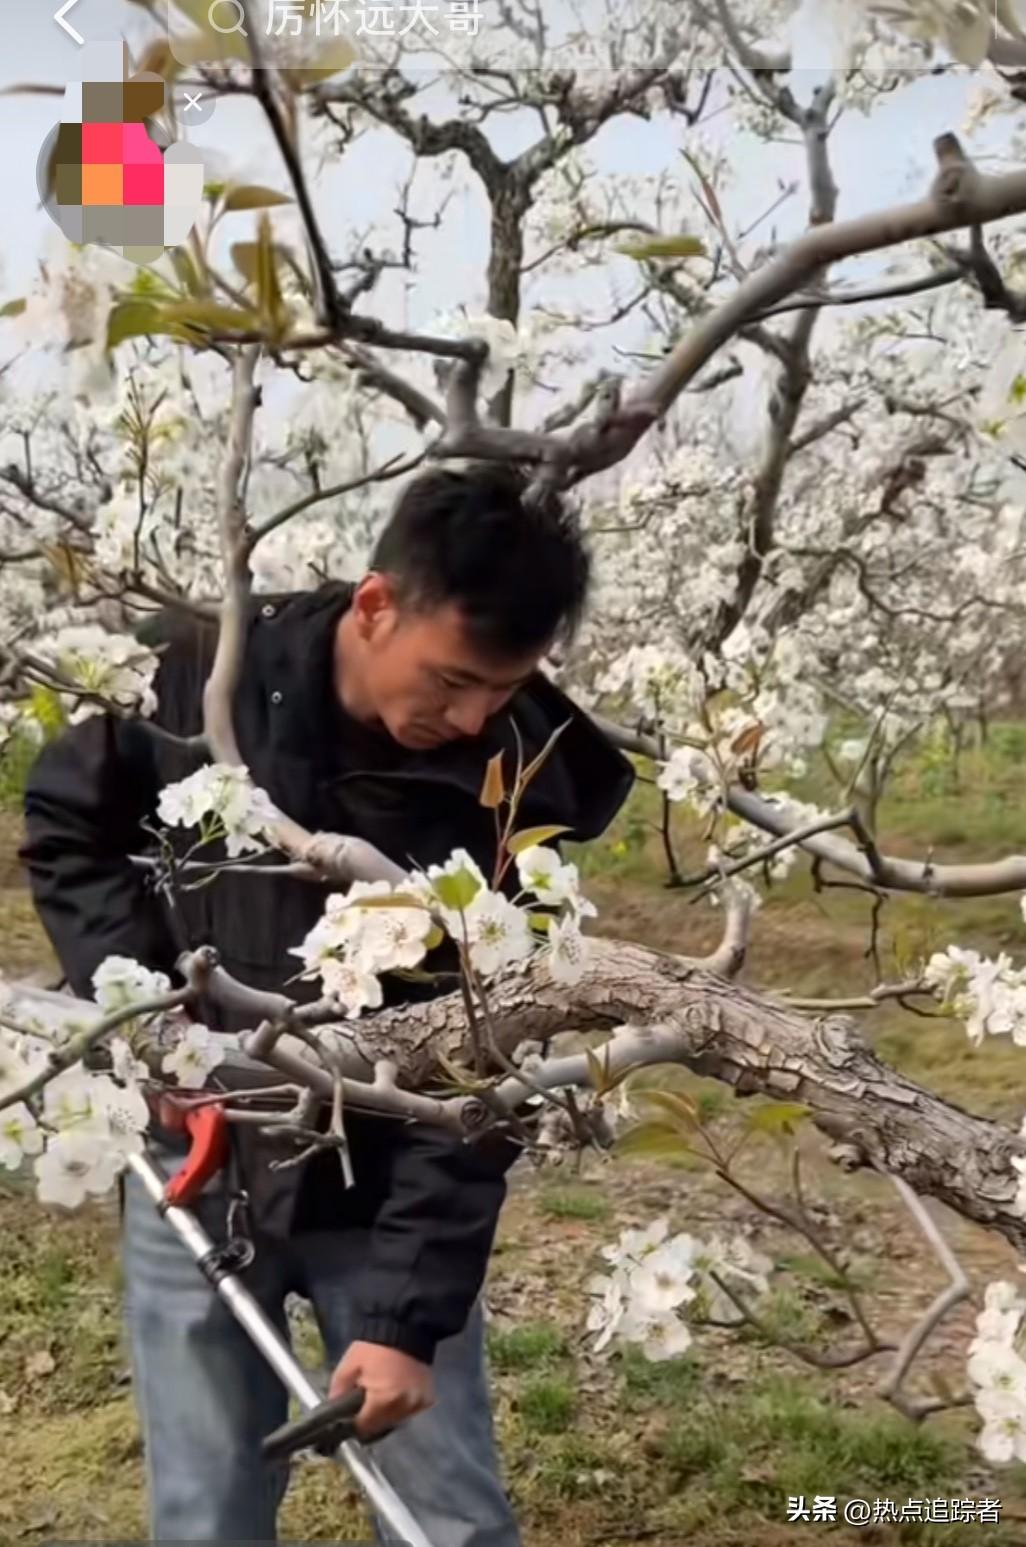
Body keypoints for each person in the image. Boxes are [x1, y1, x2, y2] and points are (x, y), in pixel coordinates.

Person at [20, 462, 635, 1545]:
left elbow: (484, 1065)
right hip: (196, 1165)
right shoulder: (190, 675)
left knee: (447, 1518)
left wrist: (404, 1320)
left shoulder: (516, 788)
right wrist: (155, 1014)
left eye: (502, 688)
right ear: (374, 603)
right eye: (451, 681)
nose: (472, 716)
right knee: (204, 1514)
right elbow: (71, 827)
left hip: (389, 1180)